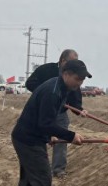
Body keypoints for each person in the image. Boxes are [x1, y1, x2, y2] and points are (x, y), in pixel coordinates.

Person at [11, 60, 91, 186]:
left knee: (29, 176)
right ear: (66, 74)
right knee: (42, 178)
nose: (80, 82)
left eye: (83, 79)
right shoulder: (53, 91)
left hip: (29, 135)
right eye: (78, 78)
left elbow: (43, 119)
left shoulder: (61, 88)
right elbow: (45, 123)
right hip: (28, 139)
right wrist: (71, 136)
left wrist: (49, 137)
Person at [25, 49, 86, 178]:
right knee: (42, 136)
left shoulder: (73, 76)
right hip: (43, 109)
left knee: (61, 138)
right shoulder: (46, 70)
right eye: (72, 62)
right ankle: (39, 168)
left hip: (61, 112)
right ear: (63, 61)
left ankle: (58, 170)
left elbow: (75, 95)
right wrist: (44, 95)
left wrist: (79, 109)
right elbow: (30, 83)